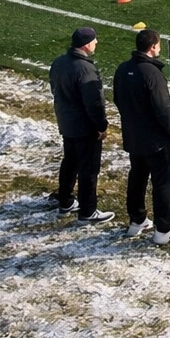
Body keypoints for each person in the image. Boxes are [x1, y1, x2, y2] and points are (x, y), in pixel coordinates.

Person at [113, 27, 170, 244]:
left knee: (137, 178)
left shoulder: (123, 69)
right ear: (153, 47)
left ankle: (137, 220)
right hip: (155, 141)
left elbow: (118, 99)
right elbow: (163, 109)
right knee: (162, 184)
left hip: (133, 136)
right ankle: (164, 230)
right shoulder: (152, 74)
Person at [50, 26, 114, 226]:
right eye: (94, 41)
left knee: (70, 162)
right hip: (85, 127)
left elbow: (54, 88)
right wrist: (101, 125)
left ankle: (66, 201)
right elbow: (94, 103)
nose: (96, 43)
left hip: (66, 122)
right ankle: (88, 211)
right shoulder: (85, 69)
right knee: (88, 169)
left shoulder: (59, 62)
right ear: (87, 45)